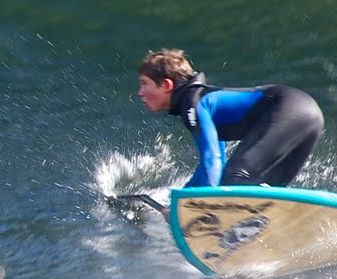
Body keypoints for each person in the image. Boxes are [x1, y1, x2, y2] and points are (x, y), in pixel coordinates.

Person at [135, 48, 323, 188]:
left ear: (167, 85)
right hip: (310, 114)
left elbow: (212, 159)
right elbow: (210, 166)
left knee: (236, 176)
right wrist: (182, 201)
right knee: (268, 189)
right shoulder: (199, 102)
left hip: (288, 107)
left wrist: (192, 205)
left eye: (145, 84)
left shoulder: (194, 104)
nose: (140, 93)